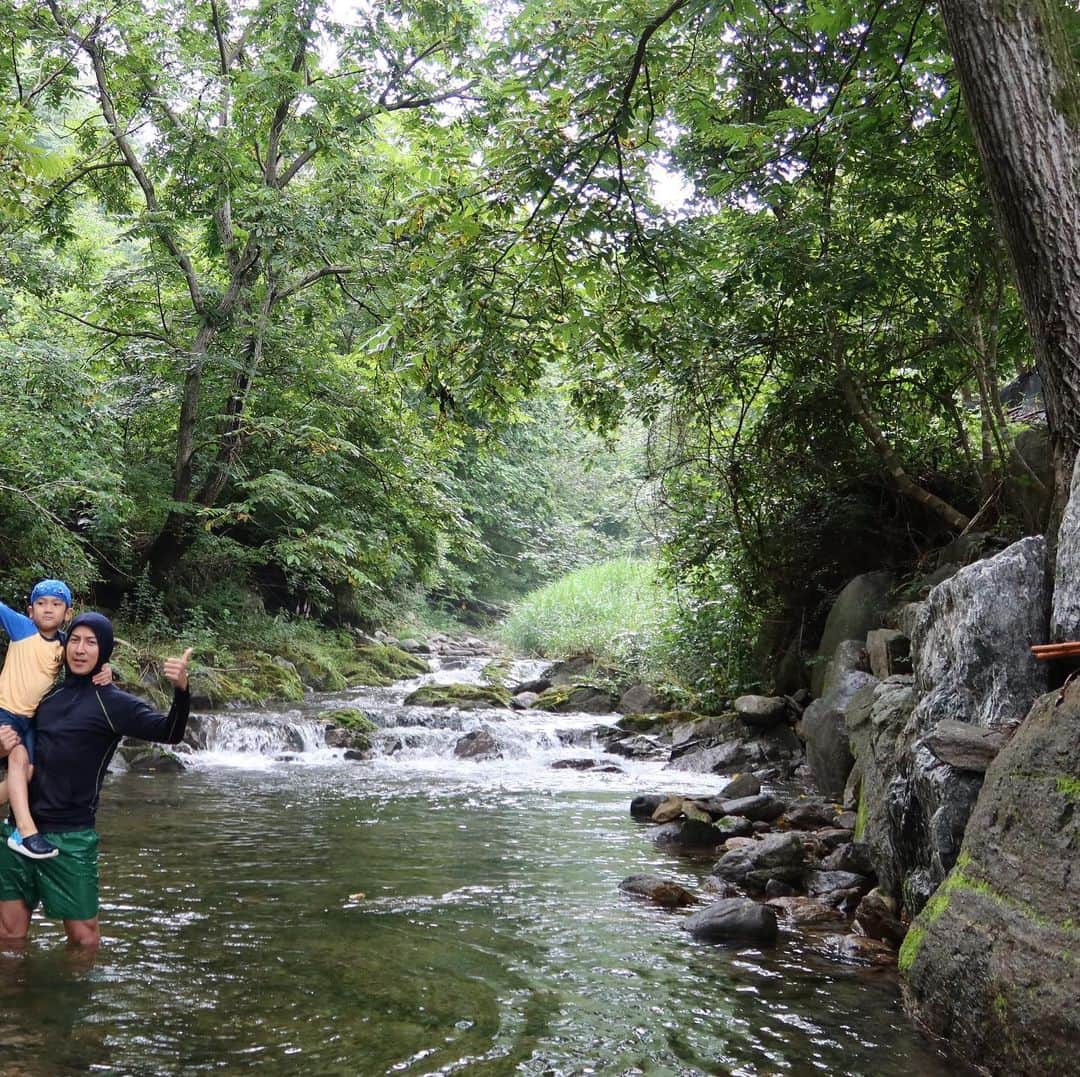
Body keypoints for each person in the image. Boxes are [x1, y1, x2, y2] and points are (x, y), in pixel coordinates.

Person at [0, 612, 192, 949]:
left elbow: (170, 733)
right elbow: (17, 748)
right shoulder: (47, 696)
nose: (80, 649)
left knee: (85, 939)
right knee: (9, 935)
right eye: (74, 640)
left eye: (91, 642)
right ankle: (17, 1000)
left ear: (103, 651)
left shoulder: (113, 704)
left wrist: (181, 689)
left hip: (71, 835)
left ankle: (74, 1000)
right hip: (18, 832)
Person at [0, 579, 110, 860]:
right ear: (30, 611)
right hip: (5, 711)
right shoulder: (22, 629)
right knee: (18, 762)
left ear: (67, 613)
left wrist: (106, 669)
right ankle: (26, 832)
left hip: (31, 719)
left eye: (56, 604)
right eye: (41, 603)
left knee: (28, 774)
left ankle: (19, 830)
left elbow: (90, 654)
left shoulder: (65, 644)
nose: (48, 609)